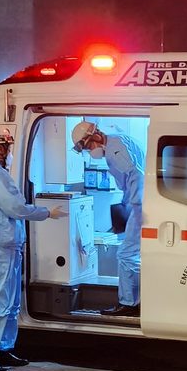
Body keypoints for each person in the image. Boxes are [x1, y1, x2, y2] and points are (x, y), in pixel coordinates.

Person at [0, 125, 66, 371]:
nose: (11, 151)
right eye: (9, 146)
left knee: (11, 304)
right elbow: (16, 208)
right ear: (0, 147)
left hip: (6, 245)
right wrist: (48, 213)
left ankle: (3, 349)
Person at [71, 121, 144, 317]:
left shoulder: (114, 151)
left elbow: (136, 175)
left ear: (95, 135)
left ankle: (130, 304)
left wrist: (133, 205)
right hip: (138, 204)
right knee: (132, 255)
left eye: (87, 146)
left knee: (127, 255)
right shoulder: (120, 141)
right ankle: (136, 301)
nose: (89, 151)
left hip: (140, 206)